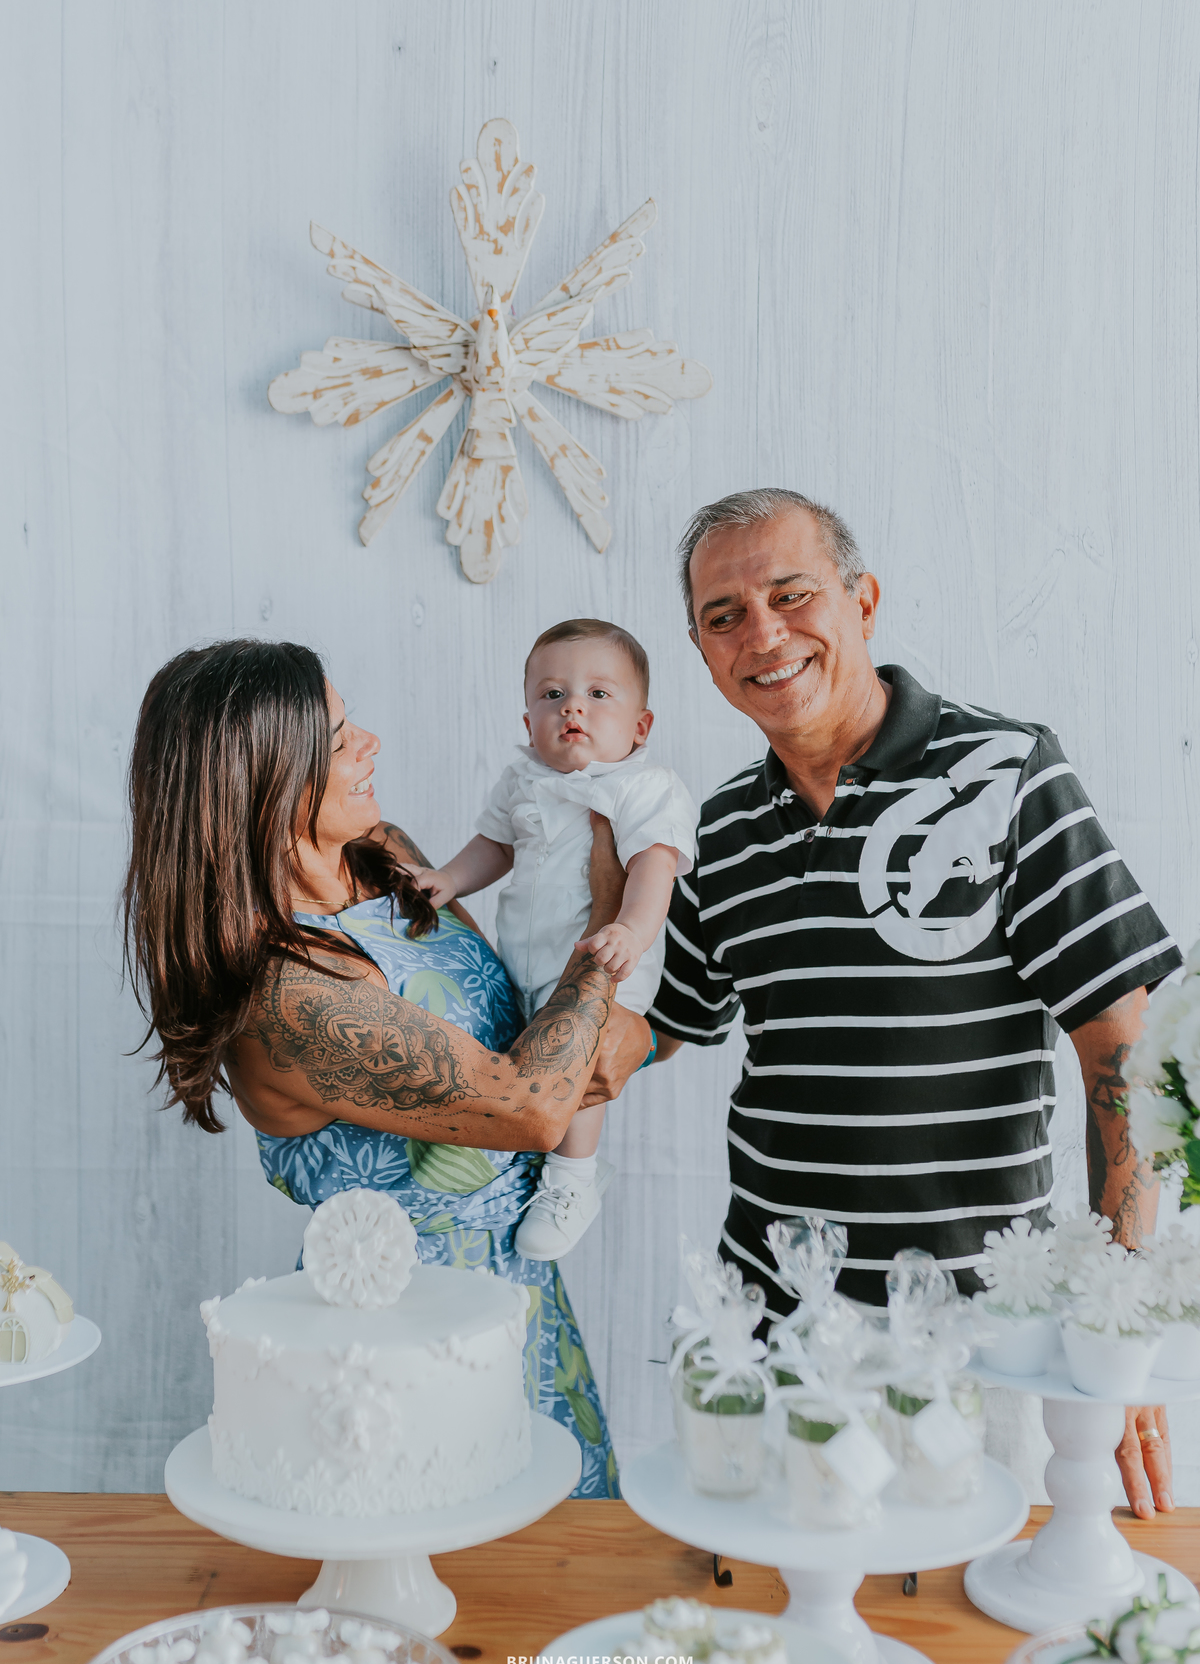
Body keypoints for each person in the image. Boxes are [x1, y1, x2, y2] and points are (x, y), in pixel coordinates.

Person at [648, 487, 1182, 1518]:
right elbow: (661, 1026)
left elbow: (1123, 1052)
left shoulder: (1009, 770)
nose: (762, 633)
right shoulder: (713, 827)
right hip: (767, 1340)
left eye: (792, 594)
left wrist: (1117, 1340)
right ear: (702, 648)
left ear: (863, 600)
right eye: (725, 616)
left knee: (958, 1641)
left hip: (978, 1348)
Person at [122, 639, 652, 1499]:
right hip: (401, 1334)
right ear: (259, 779)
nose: (369, 742)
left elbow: (526, 1023)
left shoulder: (381, 855)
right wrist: (605, 914)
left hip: (519, 1287)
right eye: (337, 739)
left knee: (560, 1584)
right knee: (438, 1585)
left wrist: (627, 1030)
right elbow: (529, 1104)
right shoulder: (288, 991)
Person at [412, 619, 696, 1260]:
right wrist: (448, 879)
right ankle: (520, 1161)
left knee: (581, 1061)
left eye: (599, 694)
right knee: (523, 1058)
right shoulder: (522, 782)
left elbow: (654, 867)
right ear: (528, 721)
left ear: (640, 728)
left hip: (609, 957)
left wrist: (630, 928)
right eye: (552, 694)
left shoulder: (645, 788)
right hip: (525, 955)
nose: (572, 706)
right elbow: (495, 845)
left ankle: (573, 1179)